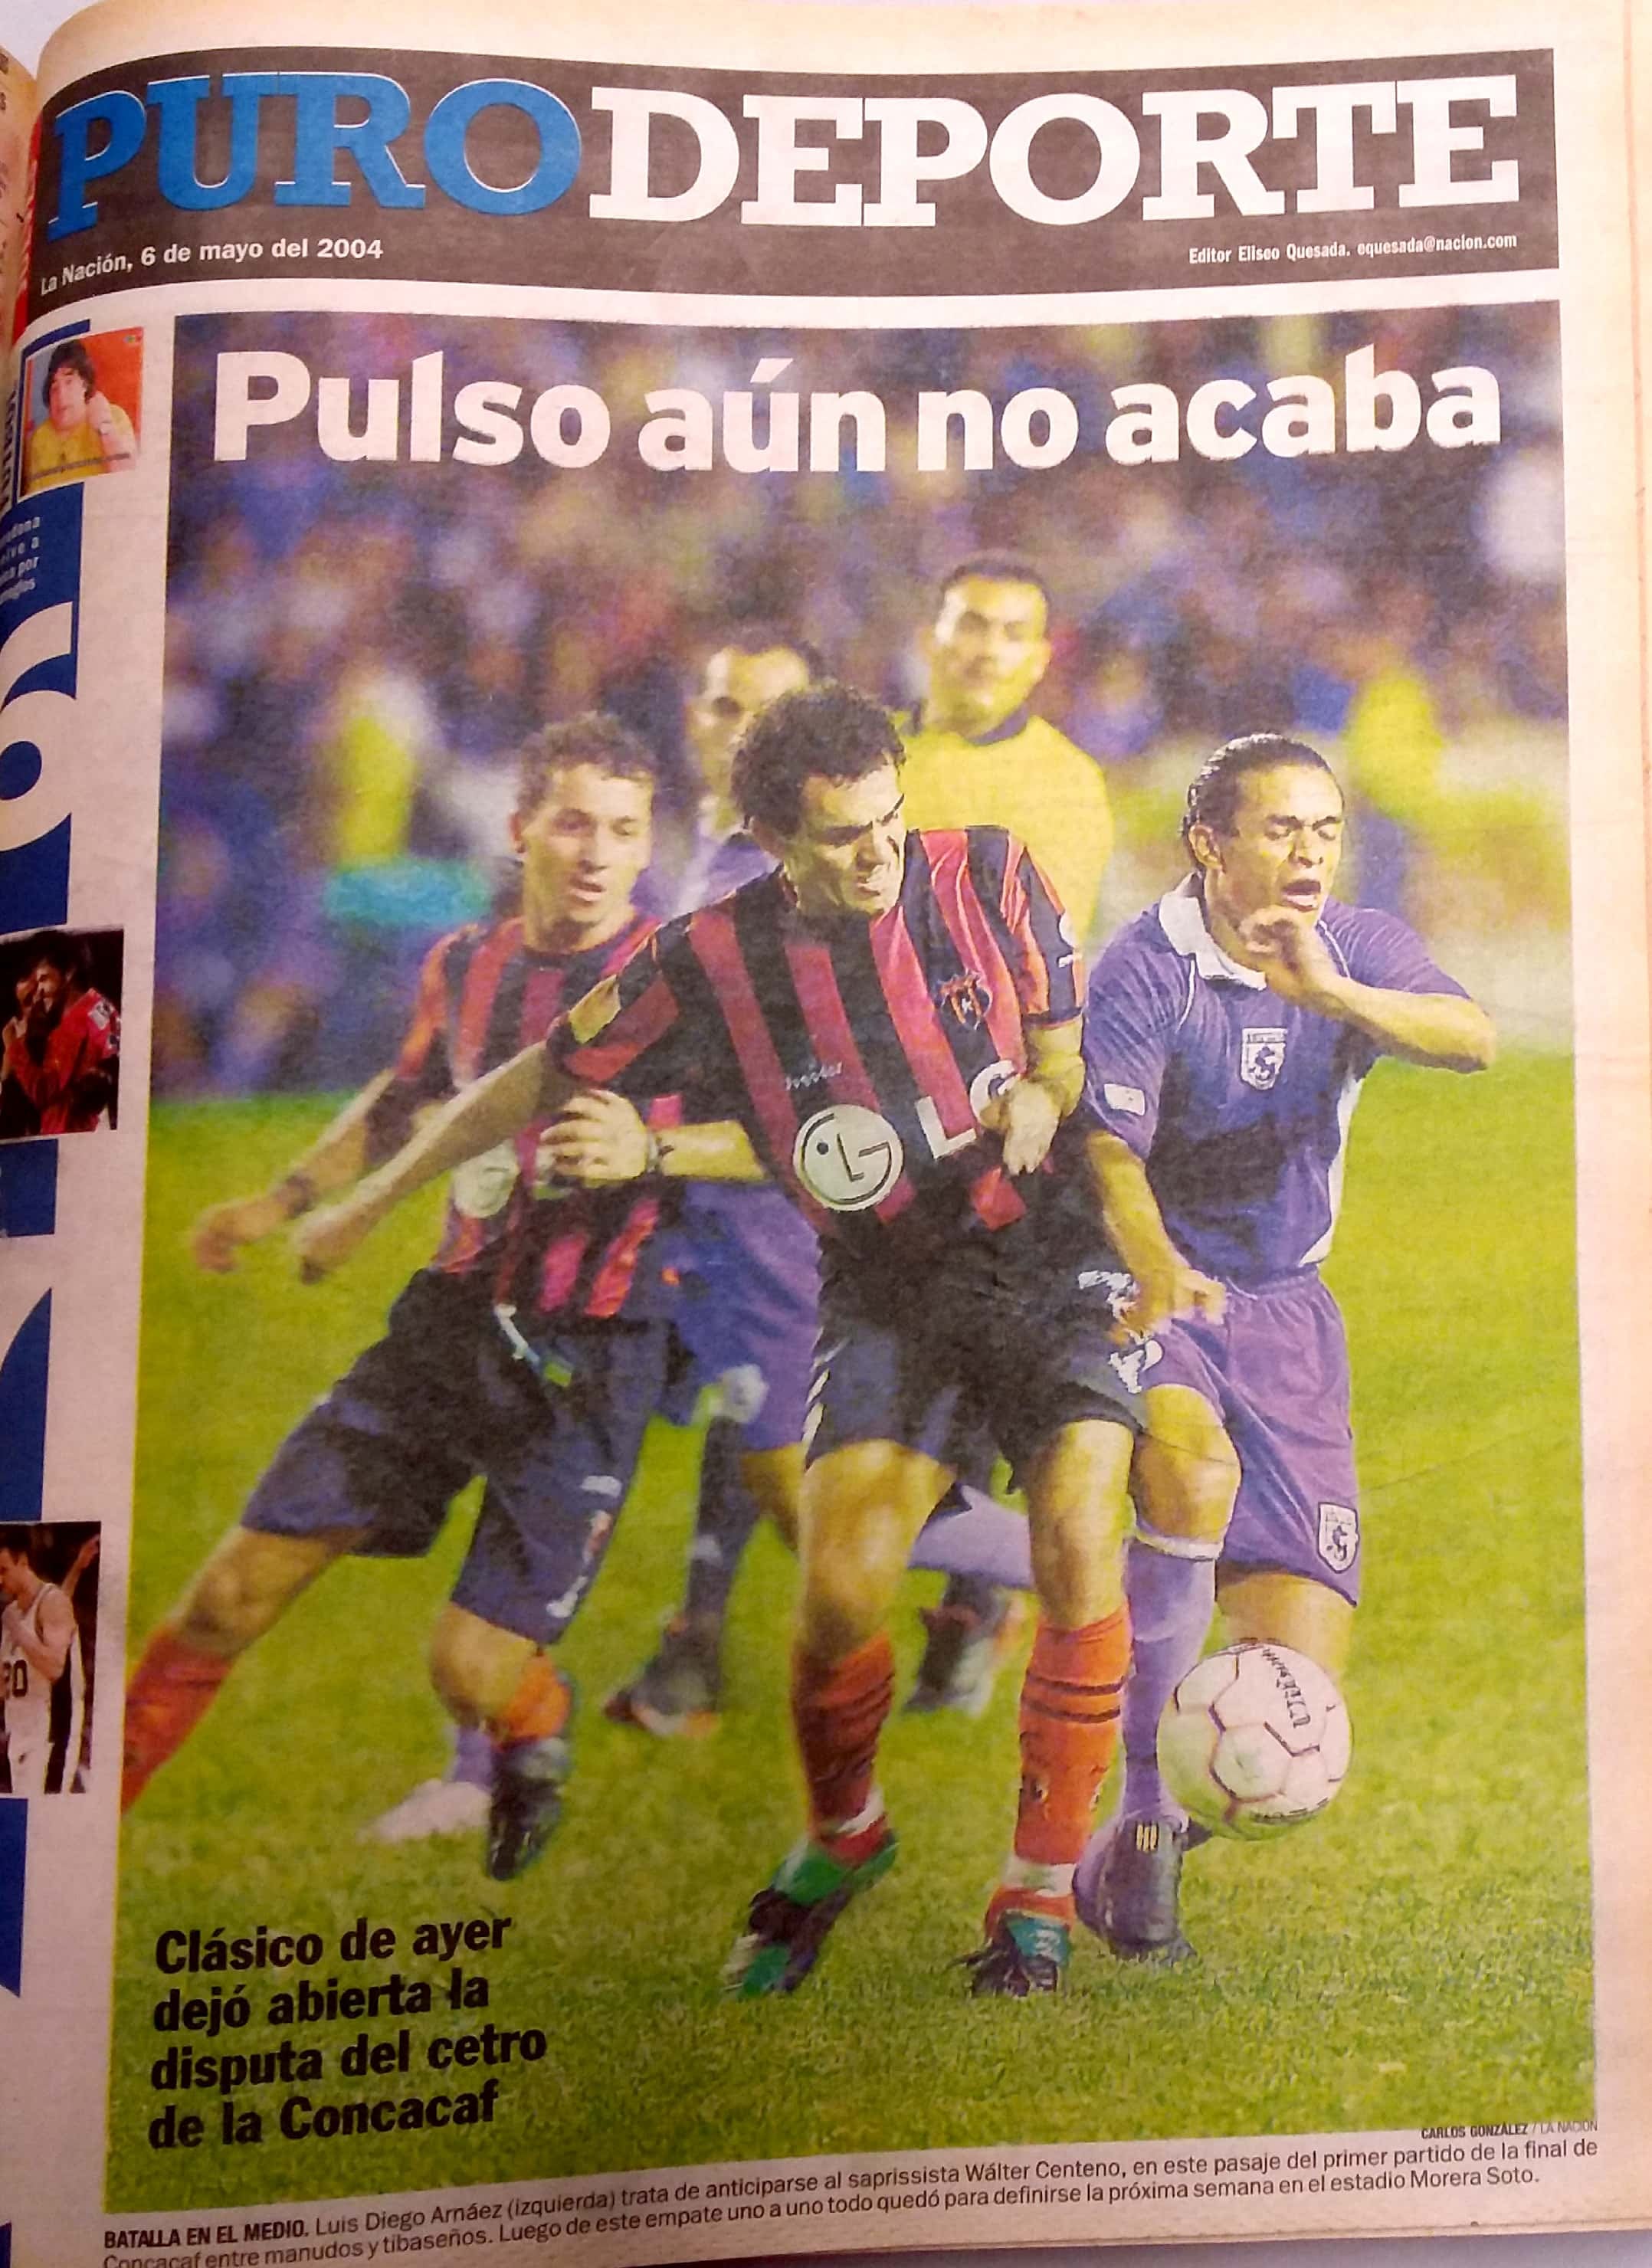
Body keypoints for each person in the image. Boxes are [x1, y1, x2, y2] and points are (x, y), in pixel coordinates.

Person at [292, 682, 1145, 1997]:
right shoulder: (707, 962)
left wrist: (1039, 1096)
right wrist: (364, 1203)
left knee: (1081, 1529)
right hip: (888, 1287)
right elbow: (536, 1078)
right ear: (773, 839)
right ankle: (846, 1835)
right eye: (843, 836)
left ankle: (1036, 1890)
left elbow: (1063, 1061)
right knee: (840, 1591)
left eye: (889, 819)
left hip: (1048, 1251)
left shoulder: (988, 873)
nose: (879, 853)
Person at [120, 716, 680, 1880]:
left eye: (624, 830)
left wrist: (653, 1150)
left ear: (646, 846)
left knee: (471, 1673)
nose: (596, 852)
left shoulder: (680, 981)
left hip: (587, 1357)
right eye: (573, 822)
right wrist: (282, 1199)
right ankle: (70, 1830)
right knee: (228, 1595)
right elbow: (405, 1091)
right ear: (519, 827)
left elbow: (764, 1134)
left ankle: (535, 1718)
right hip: (445, 1330)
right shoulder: (465, 964)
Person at [1073, 733, 1495, 1962]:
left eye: (1325, 830)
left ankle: (1131, 1841)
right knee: (1190, 1474)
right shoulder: (1146, 965)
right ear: (1210, 844)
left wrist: (1335, 1000)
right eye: (1279, 829)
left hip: (1289, 1316)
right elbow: (1107, 1154)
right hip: (1151, 1287)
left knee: (1298, 1706)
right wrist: (1157, 1268)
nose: (1309, 853)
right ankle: (1142, 1823)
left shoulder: (1354, 946)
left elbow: (1470, 1037)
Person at [896, 557, 1116, 1709]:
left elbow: (1034, 962)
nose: (984, 647)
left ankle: (984, 1598)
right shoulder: (875, 757)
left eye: (1009, 632)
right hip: (862, 1098)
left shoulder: (1062, 784)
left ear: (1039, 658)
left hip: (986, 1108)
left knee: (961, 1366)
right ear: (932, 633)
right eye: (968, 623)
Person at [0, 932, 120, 1135]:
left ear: (69, 972)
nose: (38, 993)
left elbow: (42, 1092)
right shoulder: (97, 1008)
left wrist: (14, 1045)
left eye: (44, 979)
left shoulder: (79, 1021)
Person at [0, 1529, 87, 1796]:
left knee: (43, 1815)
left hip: (51, 1735)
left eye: (3, 1570)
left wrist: (18, 1631)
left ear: (23, 1562)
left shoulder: (52, 1603)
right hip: (19, 1735)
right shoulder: (11, 1613)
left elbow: (55, 1667)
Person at [25, 339, 138, 493]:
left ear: (84, 384)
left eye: (69, 382)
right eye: (55, 388)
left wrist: (104, 427)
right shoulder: (41, 436)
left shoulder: (113, 416)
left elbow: (130, 483)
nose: (61, 396)